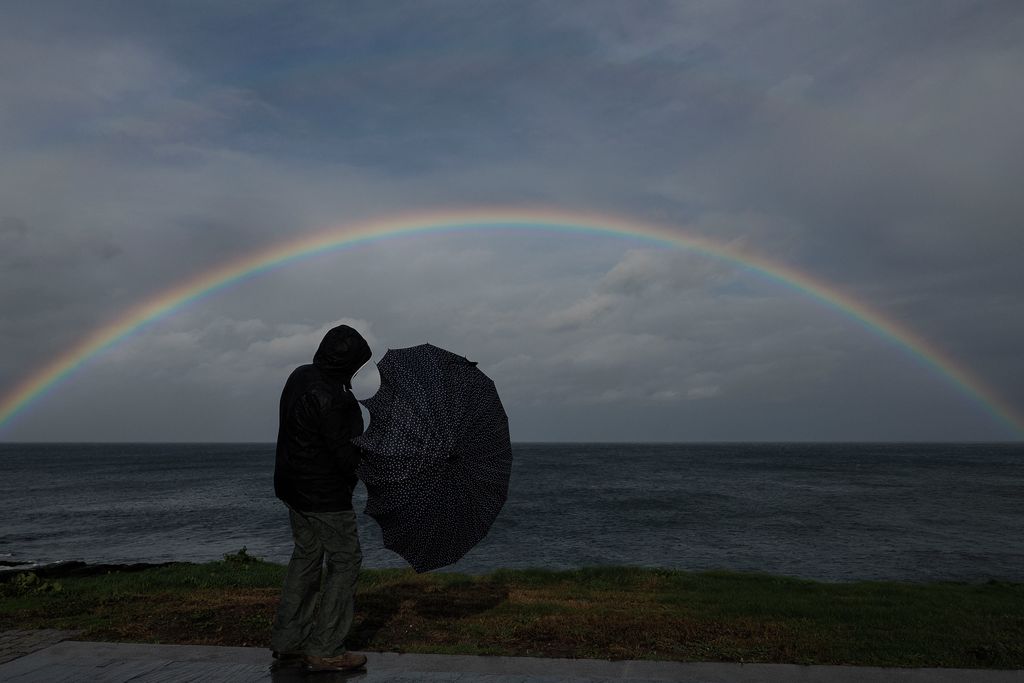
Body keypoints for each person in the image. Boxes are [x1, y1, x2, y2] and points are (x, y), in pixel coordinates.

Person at [270, 324, 372, 672]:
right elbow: (345, 457)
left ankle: (289, 641)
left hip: (292, 487)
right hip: (325, 495)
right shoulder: (334, 397)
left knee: (307, 555)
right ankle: (326, 648)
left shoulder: (300, 376)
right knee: (345, 560)